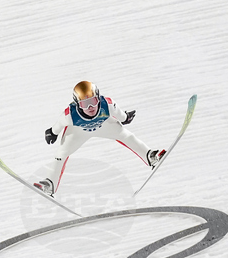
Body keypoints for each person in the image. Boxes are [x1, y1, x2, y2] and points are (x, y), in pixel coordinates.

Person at [34, 81, 166, 196]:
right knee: (61, 154)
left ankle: (150, 156)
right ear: (77, 104)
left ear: (98, 98)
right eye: (85, 104)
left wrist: (125, 118)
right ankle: (50, 185)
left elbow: (119, 114)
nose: (90, 107)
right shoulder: (70, 114)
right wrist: (53, 132)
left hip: (104, 125)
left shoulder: (107, 105)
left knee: (127, 136)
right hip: (78, 132)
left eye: (93, 101)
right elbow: (59, 124)